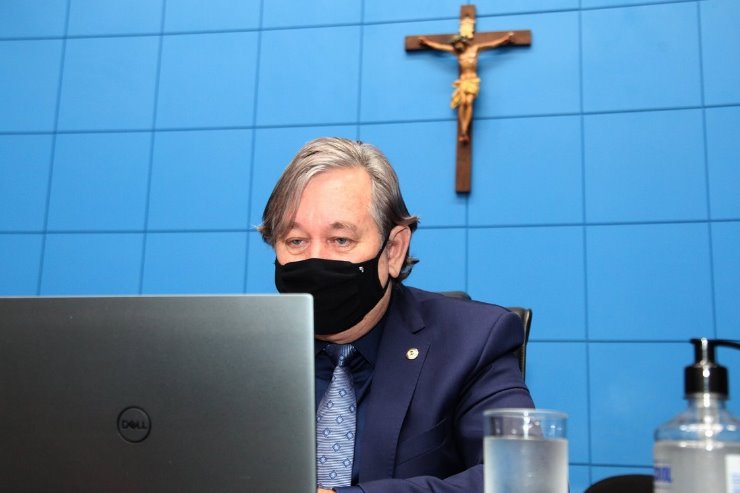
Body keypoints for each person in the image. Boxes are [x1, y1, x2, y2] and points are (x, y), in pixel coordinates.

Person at [258, 137, 533, 493]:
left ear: (393, 250)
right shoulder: (240, 353)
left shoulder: (474, 340)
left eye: (341, 240)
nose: (315, 259)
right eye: (296, 241)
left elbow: (526, 477)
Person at [417, 30, 514, 144]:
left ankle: (464, 130)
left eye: (457, 44)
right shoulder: (457, 53)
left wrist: (504, 39)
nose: (456, 46)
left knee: (469, 102)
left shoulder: (475, 49)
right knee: (462, 103)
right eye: (454, 45)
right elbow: (440, 47)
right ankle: (463, 131)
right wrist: (427, 42)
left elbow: (491, 44)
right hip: (463, 81)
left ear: (463, 42)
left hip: (473, 81)